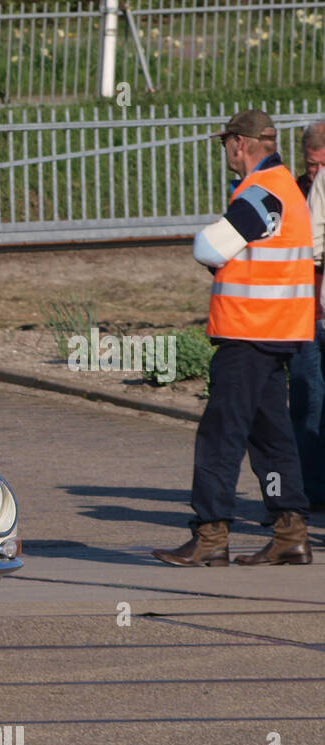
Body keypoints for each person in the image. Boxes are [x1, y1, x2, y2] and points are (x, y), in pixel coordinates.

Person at [153, 109, 314, 567]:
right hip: (276, 331)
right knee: (270, 436)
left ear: (240, 144)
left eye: (225, 143)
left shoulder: (263, 191)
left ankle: (210, 535)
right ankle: (290, 532)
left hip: (247, 331)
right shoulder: (285, 187)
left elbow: (208, 247)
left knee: (221, 435)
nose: (225, 151)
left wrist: (215, 252)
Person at [291, 124, 325, 506]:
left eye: (322, 165)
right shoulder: (295, 192)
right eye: (310, 165)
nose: (315, 173)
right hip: (303, 312)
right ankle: (310, 488)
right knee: (306, 401)